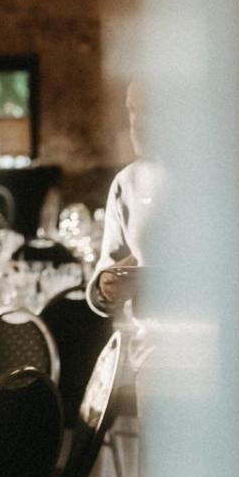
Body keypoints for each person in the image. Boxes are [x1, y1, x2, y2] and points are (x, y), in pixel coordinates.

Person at [89, 81, 161, 316]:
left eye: (148, 110)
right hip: (145, 340)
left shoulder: (217, 182)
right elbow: (105, 280)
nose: (136, 123)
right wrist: (104, 287)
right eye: (132, 109)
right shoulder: (126, 183)